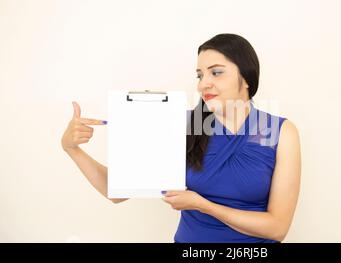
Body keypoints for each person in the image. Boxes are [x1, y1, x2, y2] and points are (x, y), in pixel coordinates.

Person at [61, 33, 301, 243]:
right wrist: (72, 149)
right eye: (199, 75)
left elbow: (277, 228)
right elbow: (115, 191)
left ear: (247, 78)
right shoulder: (182, 124)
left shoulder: (280, 131)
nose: (203, 84)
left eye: (216, 72)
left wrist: (203, 205)